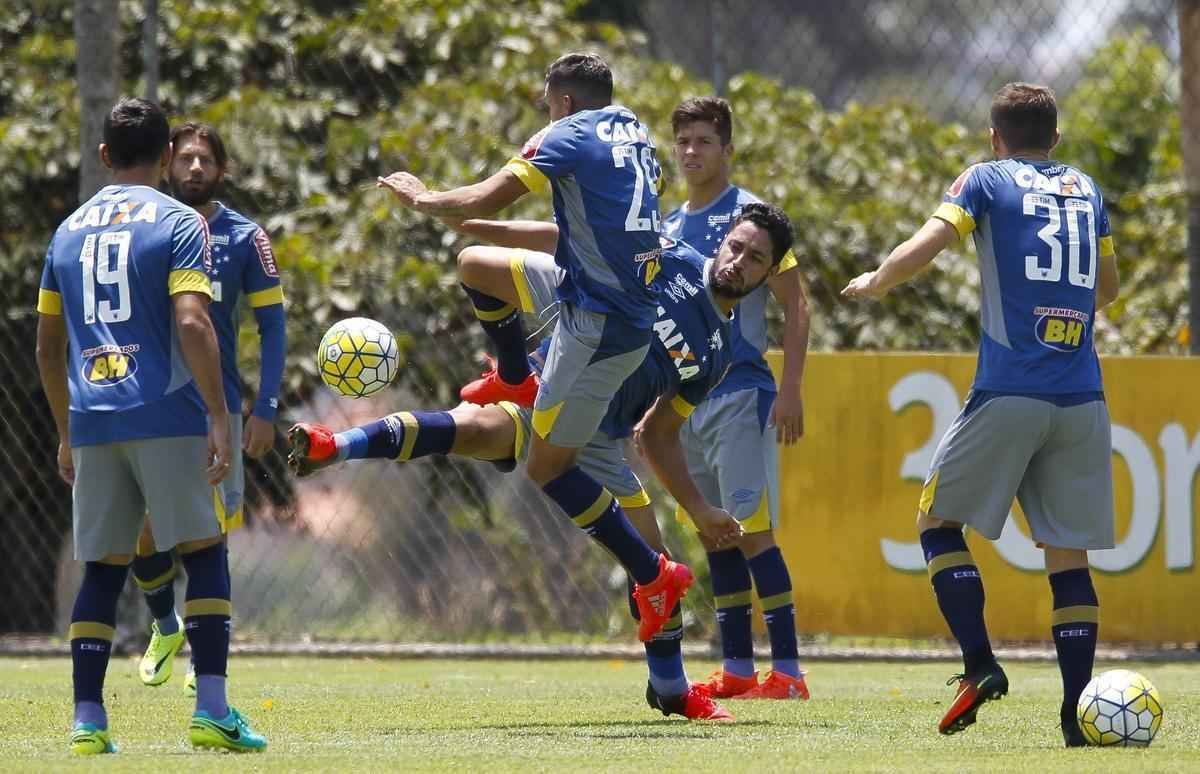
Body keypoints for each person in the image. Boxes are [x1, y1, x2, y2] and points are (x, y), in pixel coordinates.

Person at [289, 203, 795, 721]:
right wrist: (476, 221)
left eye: (756, 258)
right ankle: (337, 445)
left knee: (654, 563)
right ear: (723, 240)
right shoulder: (668, 254)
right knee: (470, 427)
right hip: (548, 390)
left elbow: (661, 435)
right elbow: (568, 235)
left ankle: (670, 690)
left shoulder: (718, 352)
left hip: (601, 440)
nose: (739, 260)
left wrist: (701, 508)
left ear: (769, 273)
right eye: (736, 245)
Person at [377, 52, 719, 637]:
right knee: (476, 265)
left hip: (599, 323)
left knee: (546, 466)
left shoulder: (568, 133)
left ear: (562, 102)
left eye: (547, 103)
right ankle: (513, 376)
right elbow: (590, 217)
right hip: (588, 289)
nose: (546, 113)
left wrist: (425, 199)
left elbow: (489, 195)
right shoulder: (634, 128)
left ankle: (658, 602)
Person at [842, 82, 1119, 746]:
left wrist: (878, 280)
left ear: (995, 138)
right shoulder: (1087, 189)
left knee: (936, 524)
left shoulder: (986, 179)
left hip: (1009, 389)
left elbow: (931, 239)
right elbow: (1107, 289)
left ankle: (979, 664)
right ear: (1057, 137)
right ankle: (1077, 716)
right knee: (1068, 556)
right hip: (1082, 396)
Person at [35, 97, 266, 753]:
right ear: (168, 155)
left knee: (102, 570)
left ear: (104, 155)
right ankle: (213, 711)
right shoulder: (180, 221)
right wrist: (218, 414)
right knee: (204, 551)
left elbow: (48, 347)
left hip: (92, 419)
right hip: (168, 414)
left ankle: (87, 721)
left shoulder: (68, 231)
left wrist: (64, 428)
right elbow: (193, 322)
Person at [661, 97, 812, 700]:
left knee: (753, 532)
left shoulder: (751, 222)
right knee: (716, 531)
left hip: (742, 395)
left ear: (727, 149)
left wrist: (792, 389)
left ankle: (791, 673)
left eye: (704, 141)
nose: (693, 151)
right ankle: (739, 670)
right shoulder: (670, 225)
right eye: (684, 141)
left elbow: (796, 305)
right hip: (685, 404)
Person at [133, 122, 287, 697]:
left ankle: (206, 653)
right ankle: (165, 623)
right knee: (139, 533)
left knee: (209, 540)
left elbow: (272, 326)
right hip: (149, 407)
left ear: (221, 170)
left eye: (206, 160)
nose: (194, 168)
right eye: (186, 158)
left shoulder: (246, 237)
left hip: (213, 411)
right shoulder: (145, 228)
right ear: (167, 164)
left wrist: (265, 408)